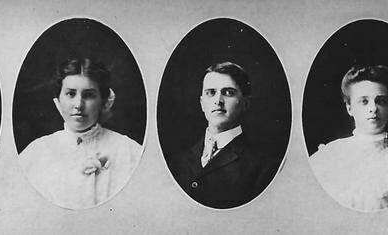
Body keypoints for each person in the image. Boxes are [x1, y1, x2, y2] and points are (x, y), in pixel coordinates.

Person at [20, 58, 142, 210]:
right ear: (59, 99)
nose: (78, 104)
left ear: (103, 102)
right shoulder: (37, 152)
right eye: (71, 94)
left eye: (89, 95)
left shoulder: (128, 151)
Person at [309, 65, 388, 212]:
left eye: (381, 101)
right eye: (364, 101)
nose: (373, 108)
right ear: (349, 108)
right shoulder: (329, 155)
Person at [168, 62, 280, 209]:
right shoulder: (177, 161)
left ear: (245, 103)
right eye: (211, 92)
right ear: (202, 103)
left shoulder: (264, 167)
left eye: (228, 92)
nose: (218, 101)